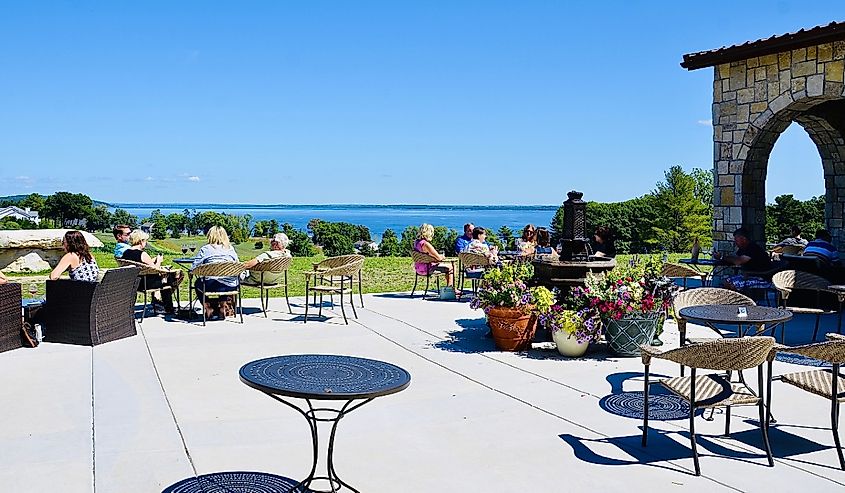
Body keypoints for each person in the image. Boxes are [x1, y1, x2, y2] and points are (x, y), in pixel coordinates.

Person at [122, 229, 184, 313]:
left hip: (134, 282)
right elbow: (155, 270)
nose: (146, 243)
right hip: (146, 283)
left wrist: (152, 260)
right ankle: (167, 307)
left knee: (166, 280)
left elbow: (142, 265)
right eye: (145, 241)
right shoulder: (142, 254)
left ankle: (163, 304)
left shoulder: (126, 253)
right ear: (141, 241)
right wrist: (159, 260)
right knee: (170, 279)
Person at [191, 226, 241, 319]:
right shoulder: (230, 249)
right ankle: (222, 306)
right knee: (224, 281)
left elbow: (194, 267)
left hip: (211, 285)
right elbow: (237, 265)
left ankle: (208, 307)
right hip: (230, 286)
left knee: (197, 283)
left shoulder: (205, 249)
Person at [716, 227, 773, 291]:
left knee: (732, 285)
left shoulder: (752, 248)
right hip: (749, 275)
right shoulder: (743, 249)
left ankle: (739, 299)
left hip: (761, 277)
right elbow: (734, 258)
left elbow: (739, 261)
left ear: (744, 239)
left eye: (736, 240)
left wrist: (722, 257)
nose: (735, 243)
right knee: (724, 282)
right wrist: (722, 258)